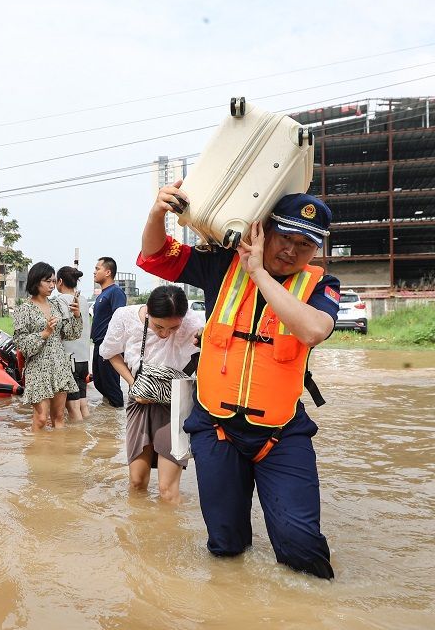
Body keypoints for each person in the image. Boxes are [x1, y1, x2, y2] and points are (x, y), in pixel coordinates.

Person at [138, 182, 341, 580]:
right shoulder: (220, 264)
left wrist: (260, 273)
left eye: (306, 244)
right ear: (263, 230)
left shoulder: (322, 286)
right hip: (217, 430)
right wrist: (156, 214)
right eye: (285, 237)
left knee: (300, 545)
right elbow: (156, 256)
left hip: (280, 435)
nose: (292, 250)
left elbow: (313, 330)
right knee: (225, 545)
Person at [99, 285, 204, 504]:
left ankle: (169, 536)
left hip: (175, 404)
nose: (165, 334)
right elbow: (109, 352)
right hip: (139, 401)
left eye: (173, 328)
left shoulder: (195, 323)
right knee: (137, 482)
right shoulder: (125, 316)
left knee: (167, 491)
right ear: (147, 311)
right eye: (158, 327)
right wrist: (133, 383)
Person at [12, 262, 83, 431]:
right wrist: (44, 333)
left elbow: (70, 334)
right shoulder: (24, 309)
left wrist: (76, 315)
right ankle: (36, 455)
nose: (52, 285)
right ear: (36, 282)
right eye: (48, 281)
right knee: (42, 418)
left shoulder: (57, 305)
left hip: (59, 365)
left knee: (59, 417)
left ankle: (58, 456)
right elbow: (21, 343)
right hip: (37, 367)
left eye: (53, 281)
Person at [54, 266, 92, 421]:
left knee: (73, 408)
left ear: (60, 281)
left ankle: (78, 441)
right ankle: (88, 437)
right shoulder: (83, 300)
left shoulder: (60, 300)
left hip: (70, 360)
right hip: (83, 359)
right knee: (83, 405)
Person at [90, 256, 127, 408]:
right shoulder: (102, 294)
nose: (94, 272)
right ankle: (109, 415)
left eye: (97, 269)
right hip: (99, 344)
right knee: (99, 382)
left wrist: (113, 346)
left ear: (108, 272)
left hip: (109, 346)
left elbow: (119, 319)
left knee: (111, 385)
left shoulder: (116, 292)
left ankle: (117, 413)